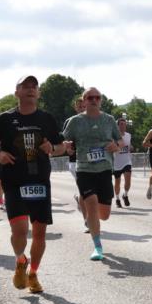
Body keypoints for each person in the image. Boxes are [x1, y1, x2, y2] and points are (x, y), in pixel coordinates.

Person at [0, 75, 65, 294]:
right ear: (17, 92)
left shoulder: (47, 119)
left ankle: (33, 273)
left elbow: (61, 148)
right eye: (25, 86)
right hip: (14, 180)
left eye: (34, 87)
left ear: (38, 93)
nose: (30, 89)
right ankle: (21, 259)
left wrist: (52, 147)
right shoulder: (4, 119)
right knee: (19, 231)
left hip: (40, 179)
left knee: (39, 233)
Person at [62, 87, 121, 260]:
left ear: (100, 100)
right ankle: (98, 247)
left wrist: (116, 146)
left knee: (105, 215)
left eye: (97, 97)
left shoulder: (109, 120)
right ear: (84, 100)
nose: (94, 100)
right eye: (90, 97)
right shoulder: (75, 121)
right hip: (84, 169)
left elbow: (119, 140)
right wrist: (66, 145)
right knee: (92, 204)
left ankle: (86, 209)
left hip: (104, 169)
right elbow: (64, 139)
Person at [64, 97, 86, 228]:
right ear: (76, 108)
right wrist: (68, 149)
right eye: (80, 107)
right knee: (84, 190)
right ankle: (87, 220)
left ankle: (79, 198)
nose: (82, 109)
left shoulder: (93, 120)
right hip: (75, 161)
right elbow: (64, 140)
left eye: (84, 106)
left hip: (91, 161)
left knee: (91, 192)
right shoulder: (70, 121)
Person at [113, 115, 134, 207]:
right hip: (116, 163)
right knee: (117, 182)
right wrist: (117, 148)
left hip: (126, 161)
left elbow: (130, 146)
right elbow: (112, 148)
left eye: (124, 124)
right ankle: (117, 199)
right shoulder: (113, 136)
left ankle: (125, 195)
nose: (123, 126)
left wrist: (131, 147)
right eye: (121, 124)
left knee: (128, 180)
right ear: (117, 126)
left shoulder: (128, 135)